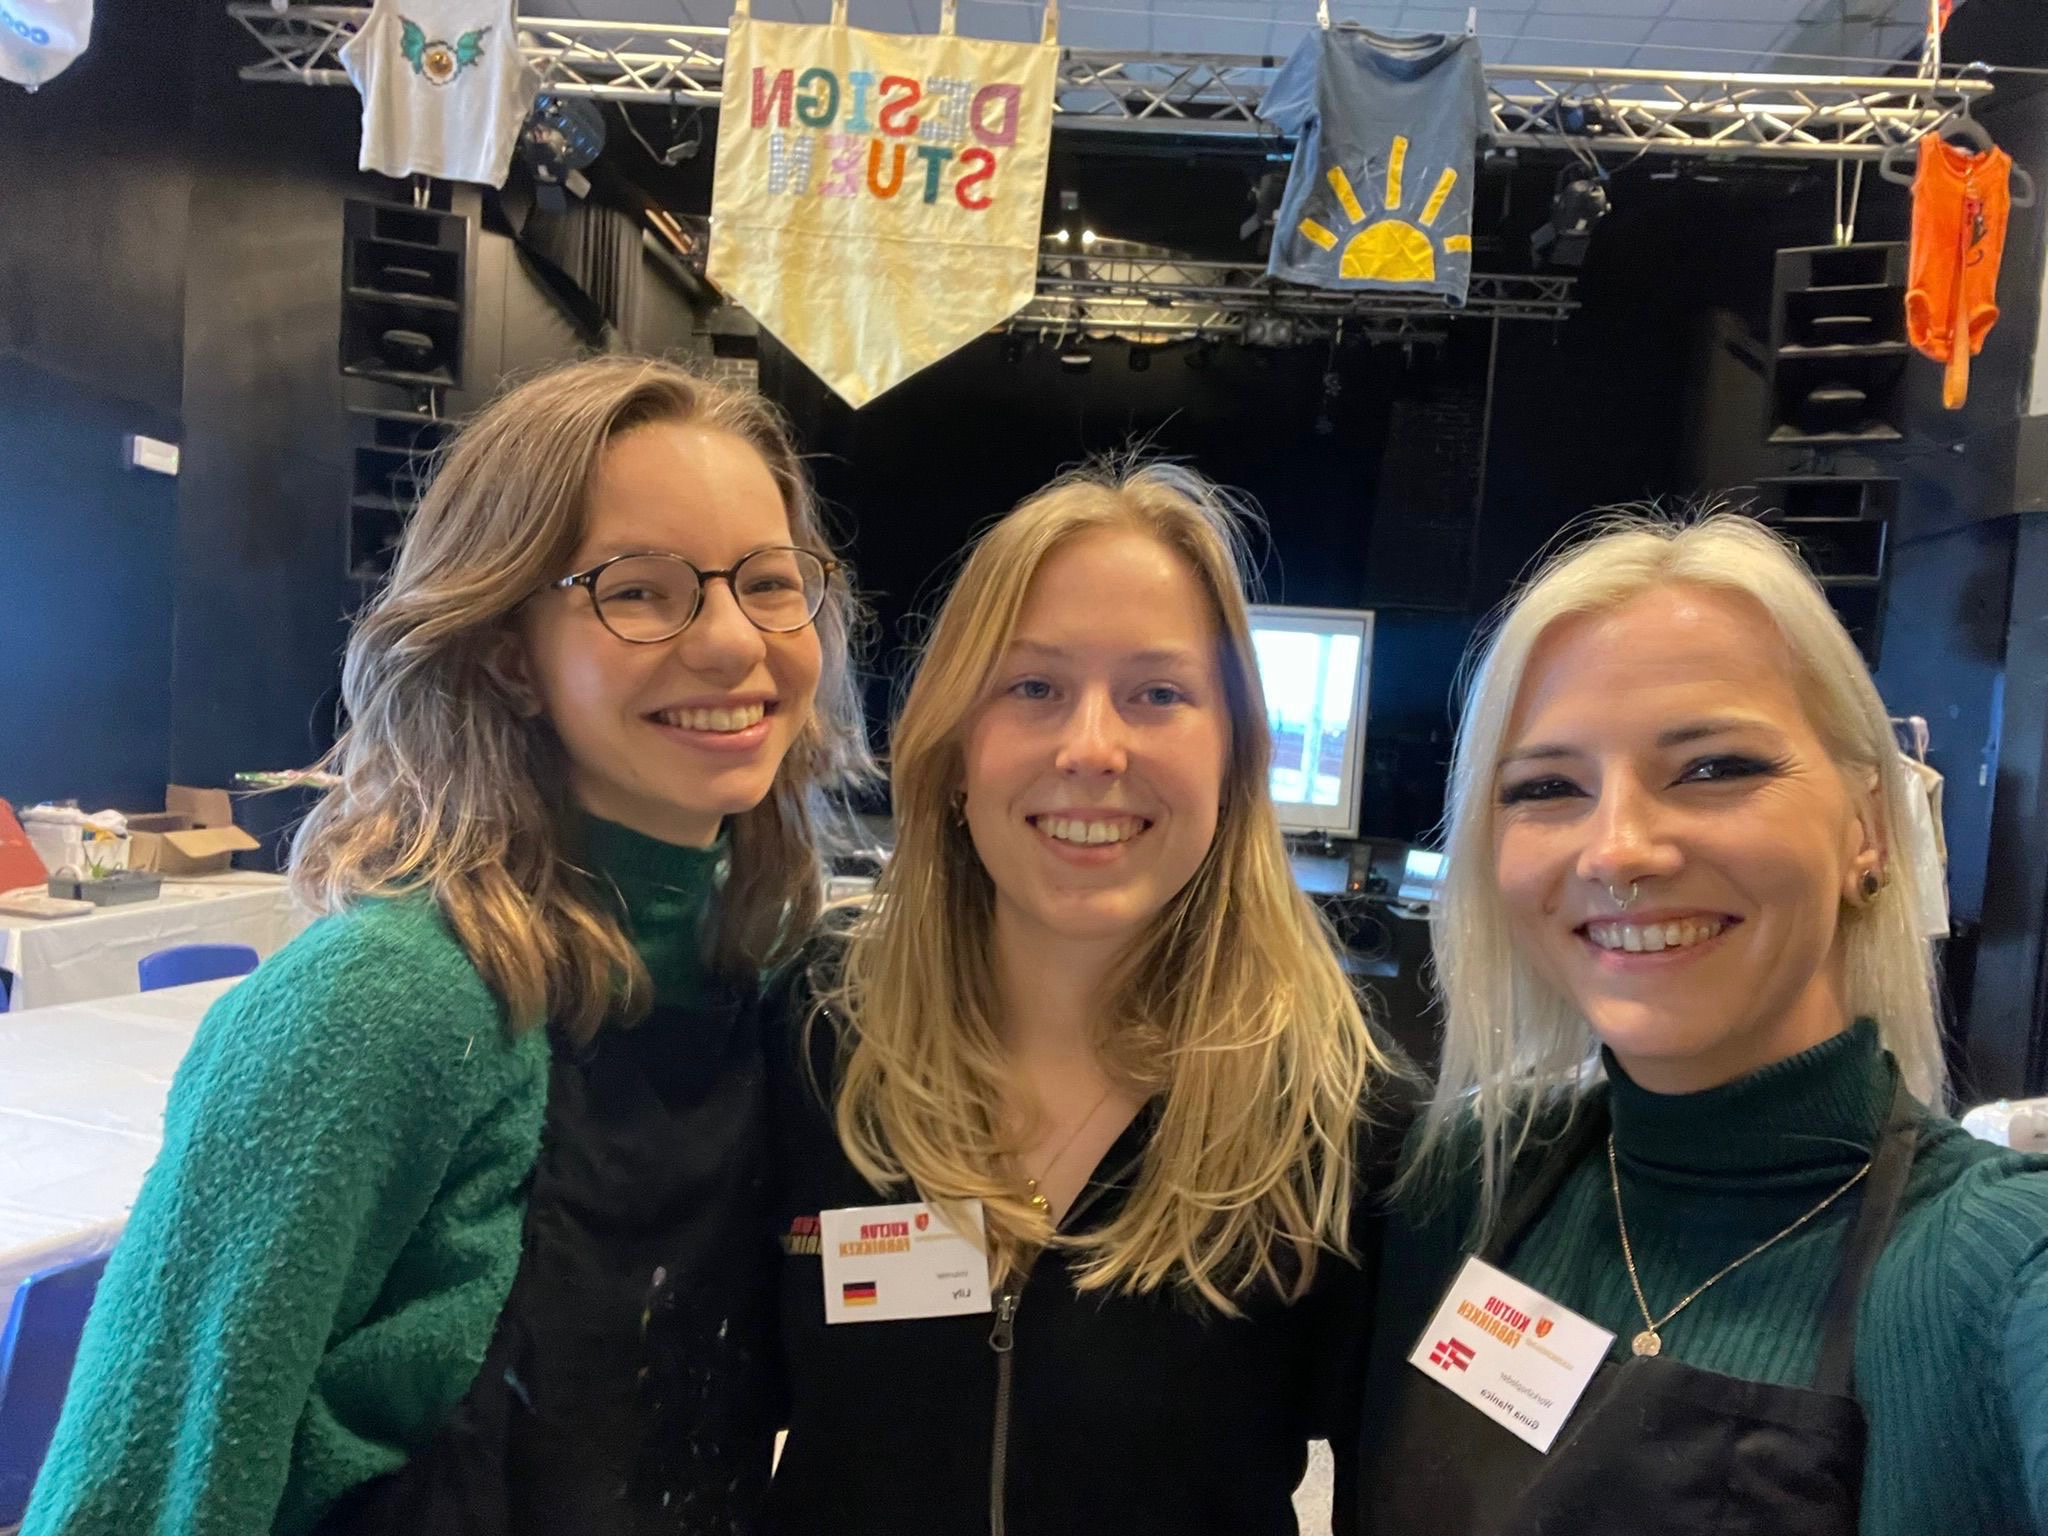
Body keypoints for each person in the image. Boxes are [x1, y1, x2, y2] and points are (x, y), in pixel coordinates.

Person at [24, 356, 871, 1536]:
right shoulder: (374, 1009)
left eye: (769, 583)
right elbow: (145, 1492)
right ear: (508, 654)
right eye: (640, 591)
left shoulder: (766, 978)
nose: (733, 642)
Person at [1345, 511, 2048, 1536]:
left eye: (1715, 768)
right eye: (1547, 786)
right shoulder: (1457, 1185)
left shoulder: (1997, 1268)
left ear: (1866, 828)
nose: (1618, 851)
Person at [762, 462, 1413, 1536]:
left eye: (1157, 694)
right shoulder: (813, 1037)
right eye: (1033, 688)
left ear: (1234, 758)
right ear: (954, 753)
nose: (1092, 749)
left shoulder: (1344, 1126)